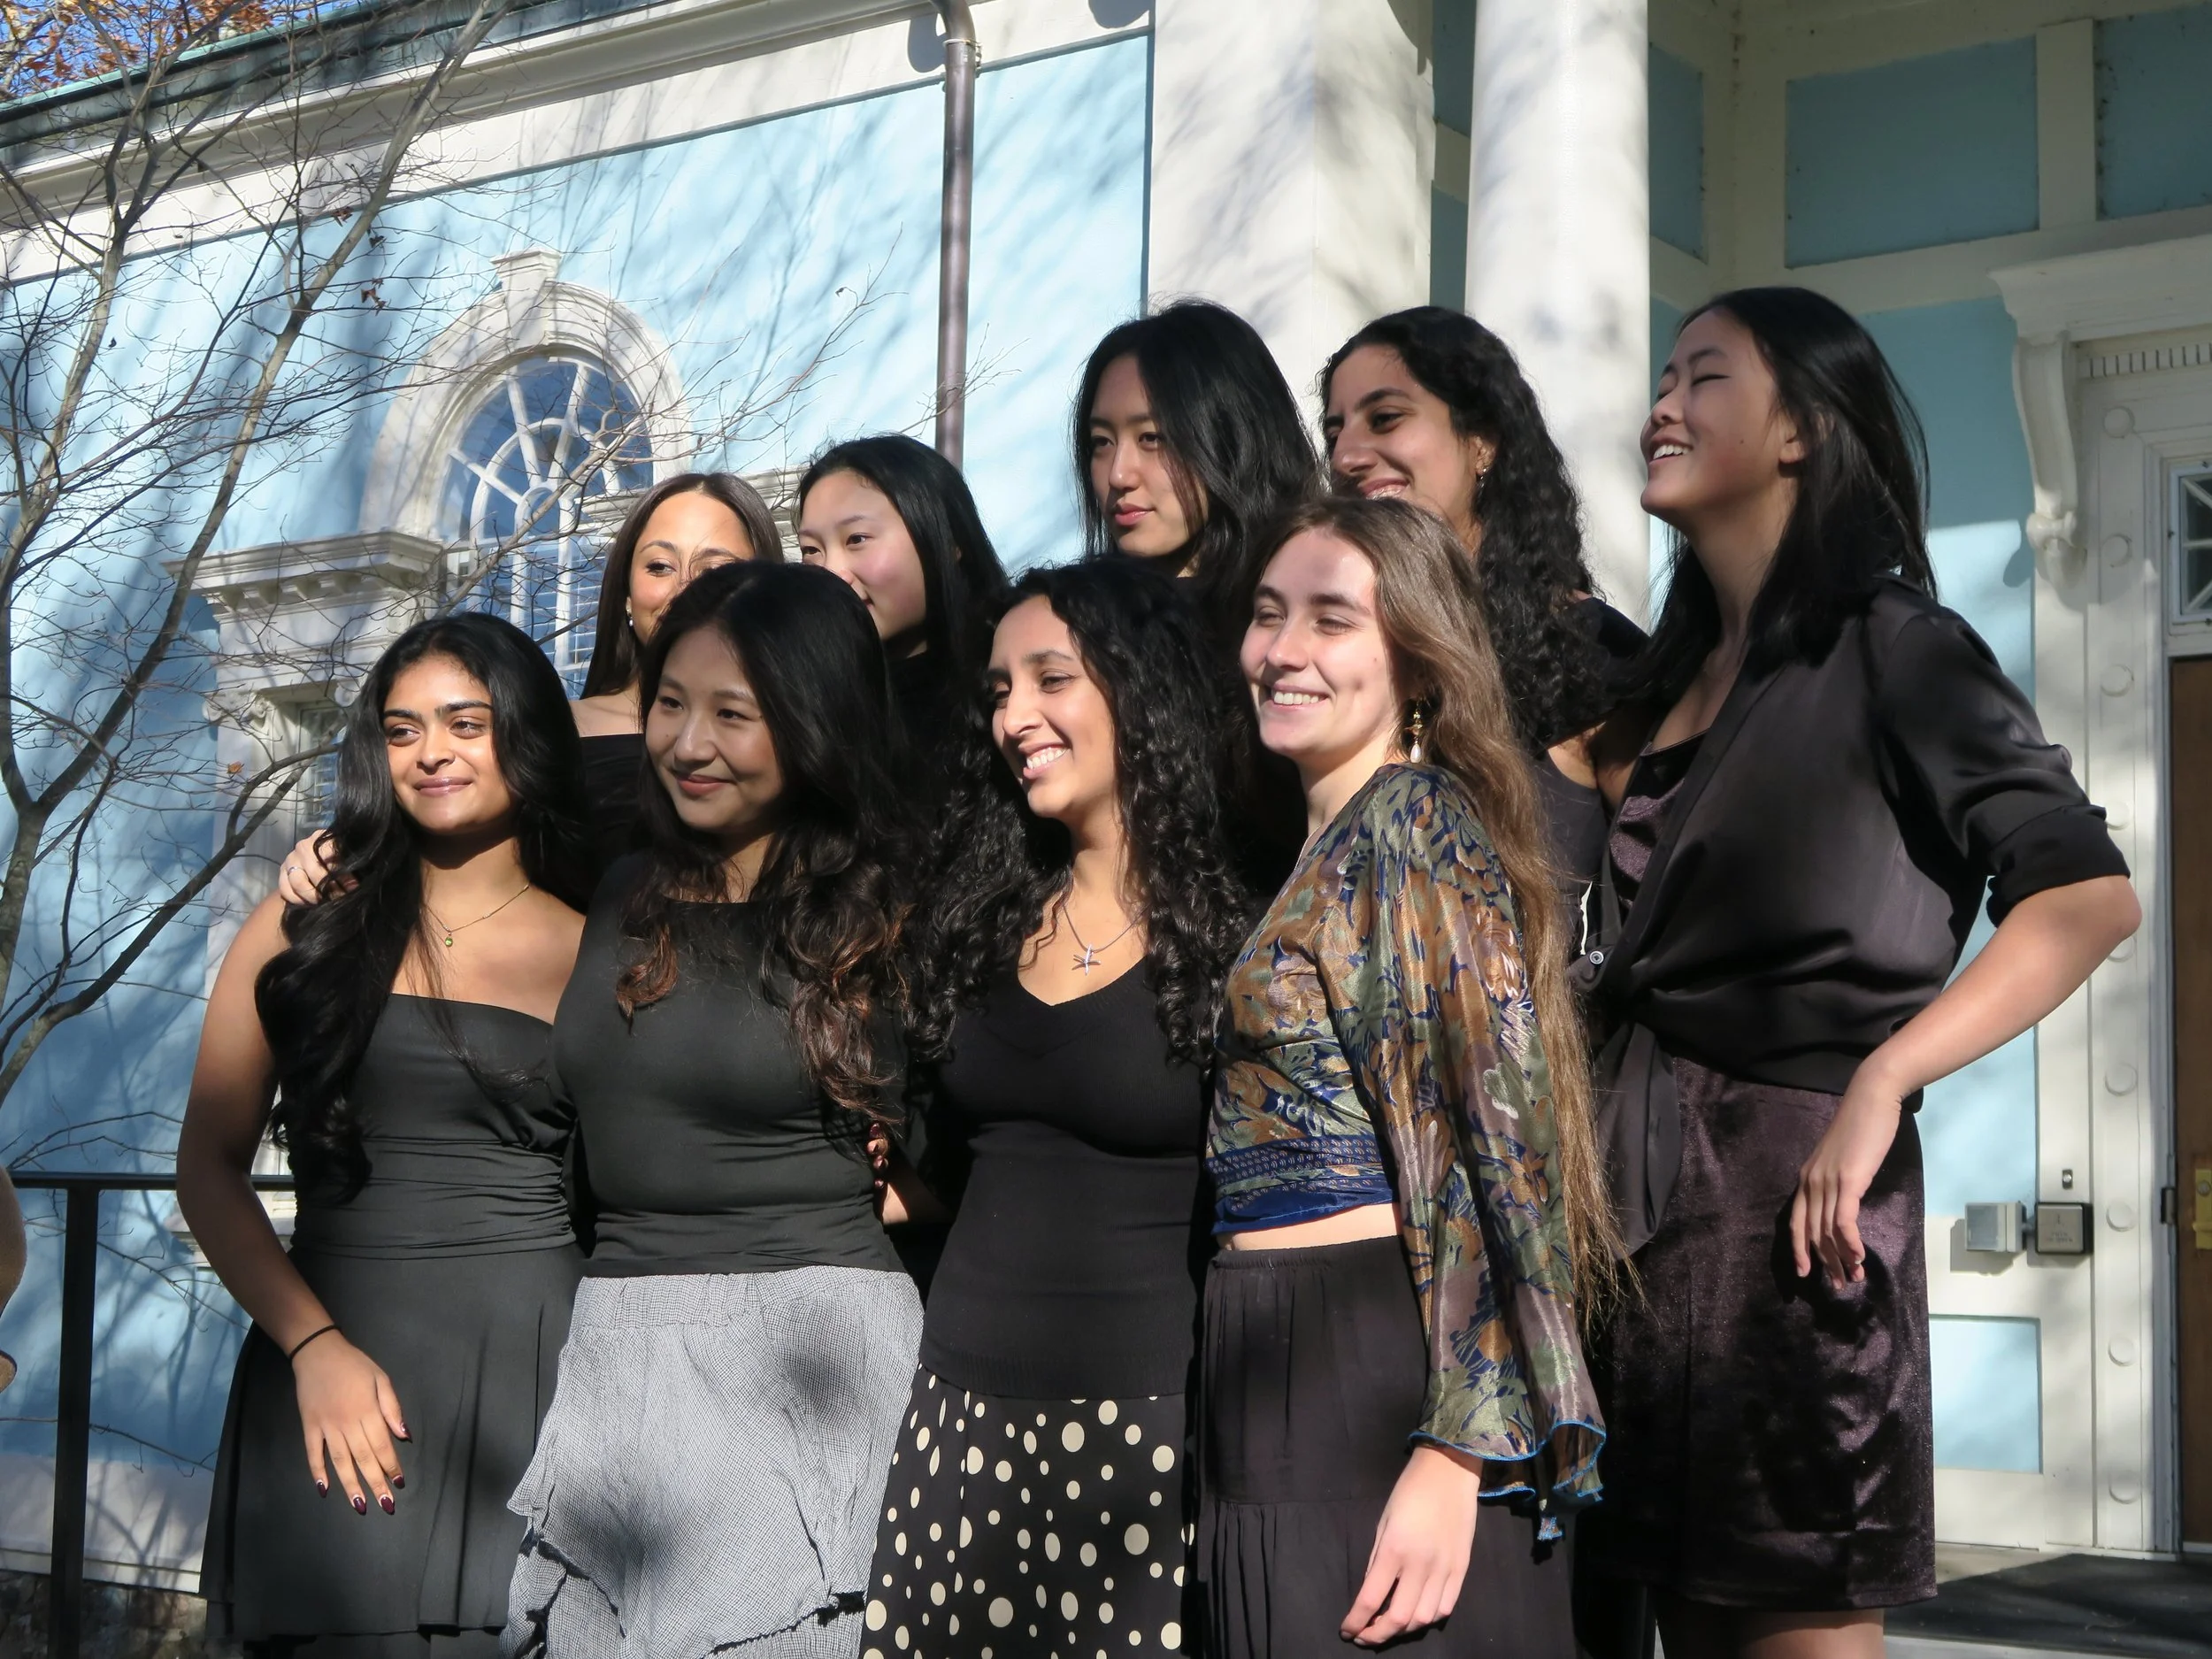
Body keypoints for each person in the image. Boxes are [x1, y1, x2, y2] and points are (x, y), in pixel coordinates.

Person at [1574, 288, 2139, 1657]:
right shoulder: (1662, 678)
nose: (1663, 403)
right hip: (1633, 1215)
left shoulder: (1897, 645)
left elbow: (2086, 894)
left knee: (1795, 1621)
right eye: (1663, 376)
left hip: (1797, 1209)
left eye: (1705, 376)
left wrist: (1887, 1076)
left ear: (1801, 433)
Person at [1202, 495, 1614, 1655]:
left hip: (1370, 1361)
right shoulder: (1327, 843)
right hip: (1278, 1354)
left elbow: (1501, 1145)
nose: (1282, 649)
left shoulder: (1414, 823)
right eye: (1269, 613)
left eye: (1331, 619)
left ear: (1419, 663)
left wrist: (1455, 1446)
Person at [504, 559, 924, 1659]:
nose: (688, 743)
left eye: (732, 714)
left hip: (808, 1357)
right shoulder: (622, 890)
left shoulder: (886, 912)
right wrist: (337, 856)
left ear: (813, 722)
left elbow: (963, 1146)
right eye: (671, 705)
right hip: (619, 1352)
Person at [181, 613, 595, 1659]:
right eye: (402, 730)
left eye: (465, 723)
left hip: (534, 1381)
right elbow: (207, 1169)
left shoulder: (602, 949)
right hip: (331, 1372)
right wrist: (312, 1346)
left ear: (525, 734)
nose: (431, 753)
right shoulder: (304, 925)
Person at [864, 560, 1252, 1658]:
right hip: (960, 1414)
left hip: (1149, 1430)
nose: (1014, 718)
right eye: (998, 692)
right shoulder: (972, 918)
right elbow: (953, 1175)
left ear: (1142, 691)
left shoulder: (1242, 936)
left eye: (1050, 679)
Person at [280, 472, 780, 900]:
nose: (685, 588)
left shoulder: (799, 732)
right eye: (659, 566)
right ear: (626, 592)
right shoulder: (549, 729)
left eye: (716, 570)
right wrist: (333, 852)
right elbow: (439, 820)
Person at [1321, 307, 1640, 934]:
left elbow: (1672, 895)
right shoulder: (1328, 658)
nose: (1347, 455)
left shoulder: (1591, 654)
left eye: (1385, 419)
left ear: (1483, 441)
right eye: (1334, 432)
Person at [1075, 301, 1318, 644]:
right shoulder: (1078, 629)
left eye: (1151, 438)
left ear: (1234, 438)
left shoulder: (1311, 613)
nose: (1119, 475)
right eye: (1102, 442)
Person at [796, 434, 1011, 795]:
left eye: (857, 539)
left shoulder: (1012, 696)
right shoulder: (800, 706)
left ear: (949, 540)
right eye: (811, 550)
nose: (832, 573)